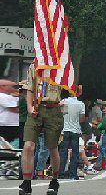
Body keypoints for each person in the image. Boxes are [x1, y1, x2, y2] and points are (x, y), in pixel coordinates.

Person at [19, 63, 64, 195]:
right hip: (36, 108)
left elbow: (70, 83)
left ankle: (54, 181)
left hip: (53, 108)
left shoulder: (61, 64)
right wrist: (29, 107)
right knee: (28, 146)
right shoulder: (35, 65)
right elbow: (29, 87)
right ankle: (26, 183)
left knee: (52, 147)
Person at [58, 85, 85, 180]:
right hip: (75, 130)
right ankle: (73, 174)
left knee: (63, 152)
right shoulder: (81, 104)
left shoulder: (64, 102)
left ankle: (60, 173)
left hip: (64, 130)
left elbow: (60, 115)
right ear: (79, 93)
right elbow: (81, 119)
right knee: (75, 153)